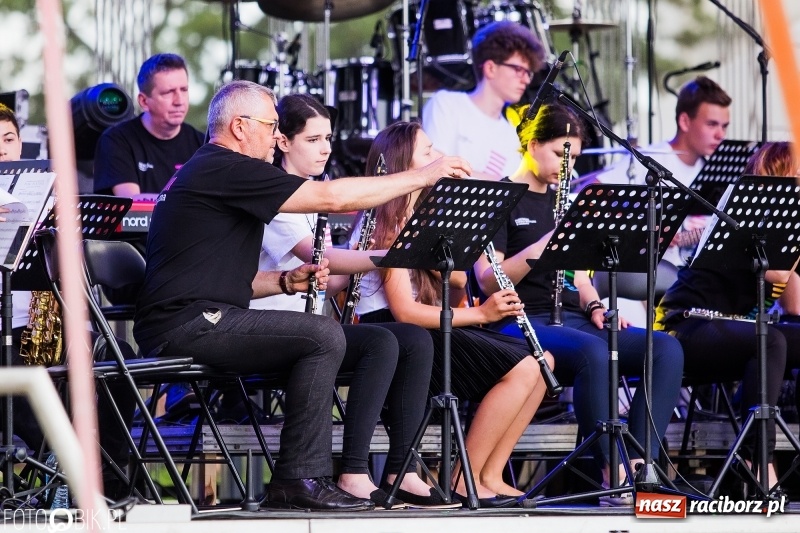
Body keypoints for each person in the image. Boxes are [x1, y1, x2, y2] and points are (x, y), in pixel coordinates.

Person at [132, 80, 471, 512]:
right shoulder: (224, 165)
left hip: (208, 315)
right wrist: (424, 175)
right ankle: (298, 478)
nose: (277, 136)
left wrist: (282, 282)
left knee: (383, 340)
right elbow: (329, 196)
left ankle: (365, 473)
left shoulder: (219, 173)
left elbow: (211, 275)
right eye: (271, 125)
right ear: (239, 126)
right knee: (321, 334)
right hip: (186, 326)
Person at [473, 102, 685, 505]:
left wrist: (595, 308)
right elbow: (487, 279)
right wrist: (540, 246)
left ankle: (641, 463)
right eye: (558, 154)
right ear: (532, 145)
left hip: (573, 317)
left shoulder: (567, 201)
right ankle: (609, 467)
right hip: (521, 320)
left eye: (570, 158)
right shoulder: (503, 197)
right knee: (593, 350)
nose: (564, 168)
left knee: (665, 347)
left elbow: (582, 277)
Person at [249, 93, 448, 508]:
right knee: (381, 341)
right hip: (271, 330)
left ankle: (402, 468)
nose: (325, 148)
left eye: (329, 138)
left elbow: (332, 279)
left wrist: (367, 239)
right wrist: (387, 254)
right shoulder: (277, 198)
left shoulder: (316, 189)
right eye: (313, 139)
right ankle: (354, 470)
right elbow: (316, 256)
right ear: (283, 142)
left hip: (312, 329)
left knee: (414, 339)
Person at [353, 121, 552, 508]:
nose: (438, 157)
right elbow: (405, 312)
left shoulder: (426, 217)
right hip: (395, 335)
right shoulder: (388, 222)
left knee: (543, 363)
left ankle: (489, 474)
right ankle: (463, 478)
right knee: (526, 368)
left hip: (425, 329)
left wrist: (464, 243)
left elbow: (457, 287)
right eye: (427, 152)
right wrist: (483, 314)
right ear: (404, 166)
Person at [0, 102, 137, 501]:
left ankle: (107, 476)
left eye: (9, 140)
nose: (3, 150)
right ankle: (61, 475)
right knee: (33, 388)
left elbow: (67, 272)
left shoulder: (37, 190)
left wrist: (59, 231)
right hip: (6, 335)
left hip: (41, 326)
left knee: (118, 356)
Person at [656, 141, 800, 494]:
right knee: (771, 341)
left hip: (735, 329)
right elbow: (778, 274)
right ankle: (757, 462)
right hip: (687, 324)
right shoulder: (742, 219)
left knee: (779, 337)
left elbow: (794, 303)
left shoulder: (787, 232)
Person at [594, 76, 732, 268]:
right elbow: (594, 192)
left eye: (724, 126)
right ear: (684, 121)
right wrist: (644, 227)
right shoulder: (649, 159)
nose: (720, 135)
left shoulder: (714, 171)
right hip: (655, 276)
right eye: (711, 124)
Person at [422, 21, 545, 181]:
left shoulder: (513, 132)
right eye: (518, 70)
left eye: (528, 73)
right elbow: (436, 170)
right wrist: (499, 183)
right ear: (490, 68)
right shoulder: (446, 104)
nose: (526, 80)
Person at [93, 53, 204, 198]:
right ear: (144, 101)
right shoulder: (116, 141)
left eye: (184, 90)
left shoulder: (202, 144)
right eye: (168, 92)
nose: (179, 101)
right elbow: (134, 210)